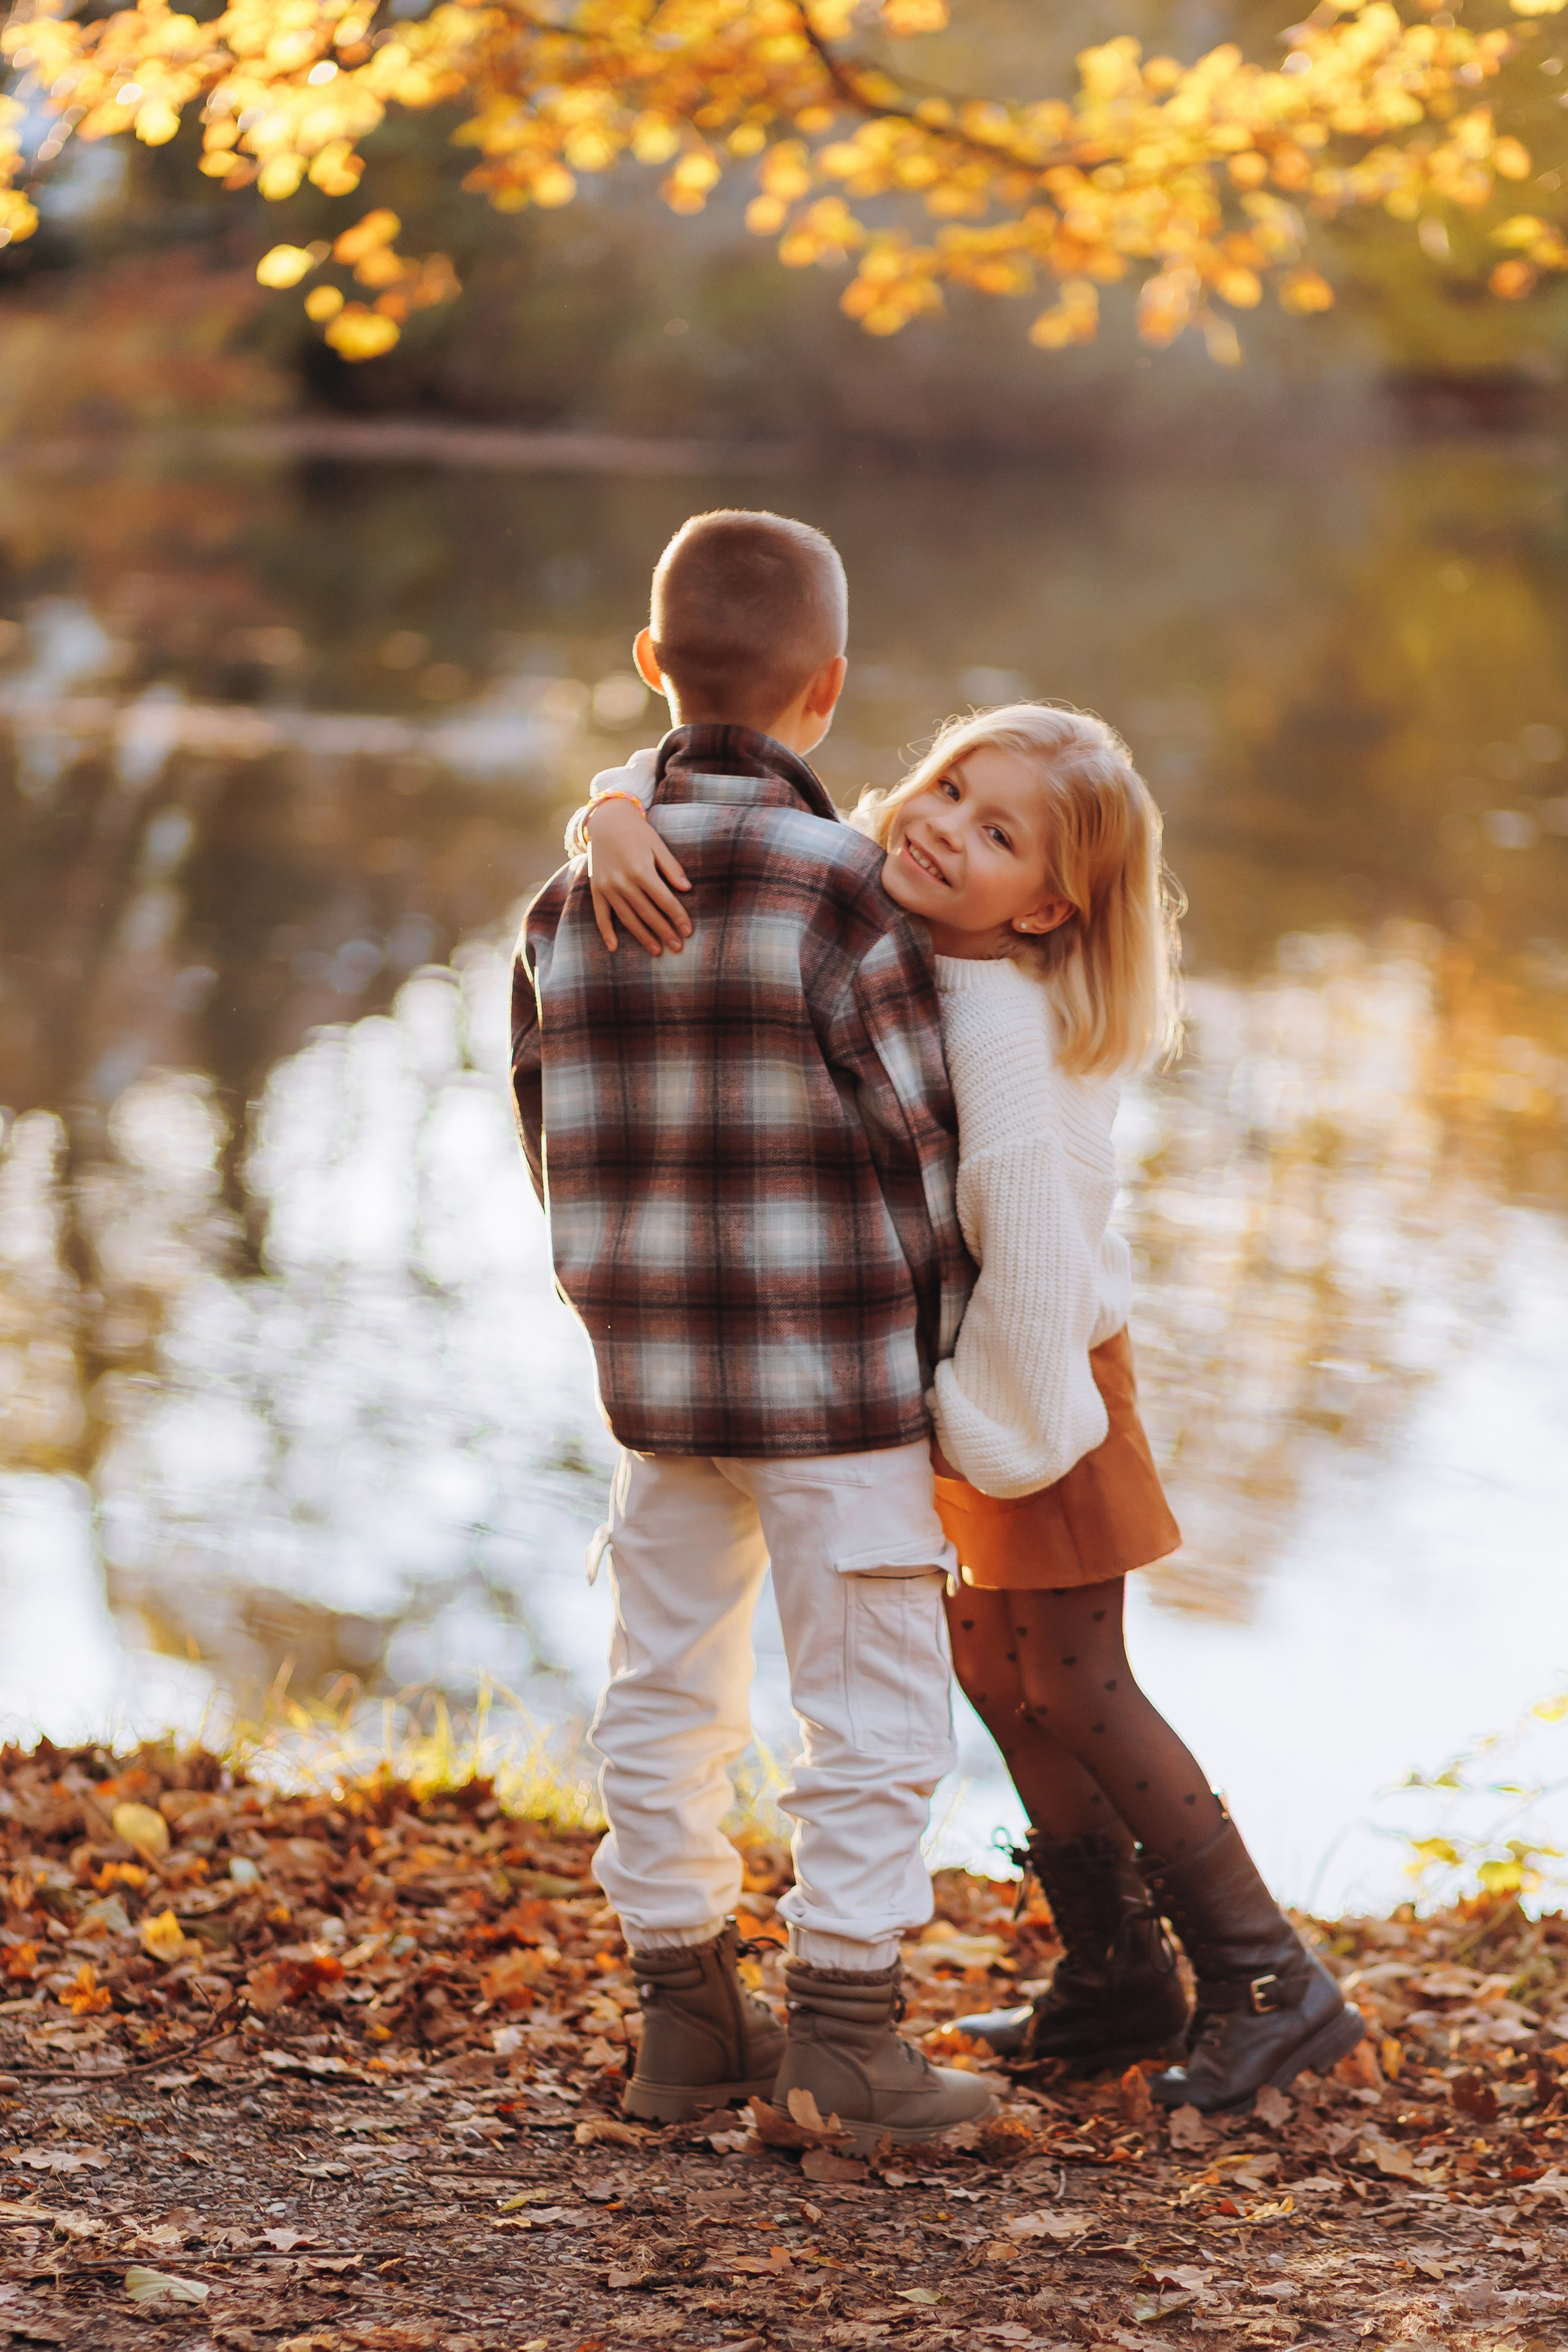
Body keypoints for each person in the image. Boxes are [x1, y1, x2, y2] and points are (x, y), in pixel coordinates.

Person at [579, 699, 1365, 2116]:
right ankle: (1116, 1977)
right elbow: (684, 759)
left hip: (1039, 1384)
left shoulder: (997, 1019)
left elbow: (1039, 1253)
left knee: (1077, 1683)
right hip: (973, 1381)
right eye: (948, 789)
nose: (942, 828)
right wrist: (612, 811)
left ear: (1047, 904)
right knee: (996, 1675)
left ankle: (1268, 1978)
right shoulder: (900, 938)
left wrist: (983, 1429)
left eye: (995, 834)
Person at [512, 508, 997, 2153]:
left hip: (657, 1382)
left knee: (663, 1692)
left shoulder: (564, 906)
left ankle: (685, 2024)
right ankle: (849, 2037)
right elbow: (922, 1148)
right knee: (867, 1704)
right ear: (830, 690)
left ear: (650, 666)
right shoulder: (851, 895)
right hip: (836, 1385)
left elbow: (545, 1134)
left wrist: (627, 1295)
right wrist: (938, 1349)